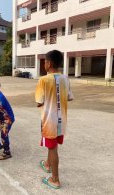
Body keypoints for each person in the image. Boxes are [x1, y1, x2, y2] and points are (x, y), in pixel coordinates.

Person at [35, 50, 74, 189]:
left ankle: (55, 179)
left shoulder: (43, 80)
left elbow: (39, 101)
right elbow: (69, 97)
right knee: (53, 145)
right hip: (61, 120)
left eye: (45, 61)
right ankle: (47, 164)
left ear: (49, 63)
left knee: (52, 148)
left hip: (49, 121)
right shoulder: (65, 78)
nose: (44, 64)